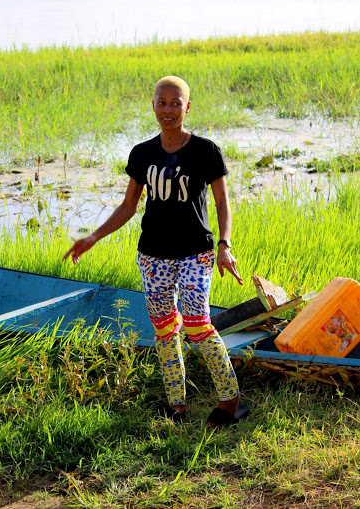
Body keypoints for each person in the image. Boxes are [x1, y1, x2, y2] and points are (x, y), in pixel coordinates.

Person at [63, 76, 249, 428]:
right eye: (161, 102)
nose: (168, 109)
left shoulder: (206, 150)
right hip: (153, 255)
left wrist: (225, 245)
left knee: (198, 325)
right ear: (153, 106)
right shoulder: (142, 153)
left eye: (175, 103)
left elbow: (223, 203)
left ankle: (231, 402)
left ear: (187, 107)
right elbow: (128, 206)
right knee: (164, 329)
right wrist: (93, 237)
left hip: (197, 252)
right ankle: (176, 406)